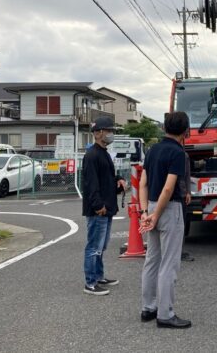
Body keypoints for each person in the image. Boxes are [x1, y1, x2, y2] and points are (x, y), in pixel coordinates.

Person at [139, 111, 192, 328]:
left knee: (152, 260)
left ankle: (148, 308)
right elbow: (169, 188)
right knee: (169, 263)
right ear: (185, 130)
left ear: (164, 128)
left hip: (150, 206)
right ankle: (165, 314)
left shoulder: (153, 149)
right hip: (168, 210)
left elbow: (143, 182)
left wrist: (146, 213)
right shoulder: (178, 153)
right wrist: (158, 214)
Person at [82, 116, 126, 296]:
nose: (111, 134)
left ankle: (98, 276)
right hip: (98, 209)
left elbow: (106, 178)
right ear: (98, 132)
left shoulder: (104, 152)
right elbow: (91, 184)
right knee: (94, 246)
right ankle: (90, 282)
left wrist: (119, 180)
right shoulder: (91, 155)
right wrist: (98, 205)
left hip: (106, 207)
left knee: (101, 245)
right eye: (109, 131)